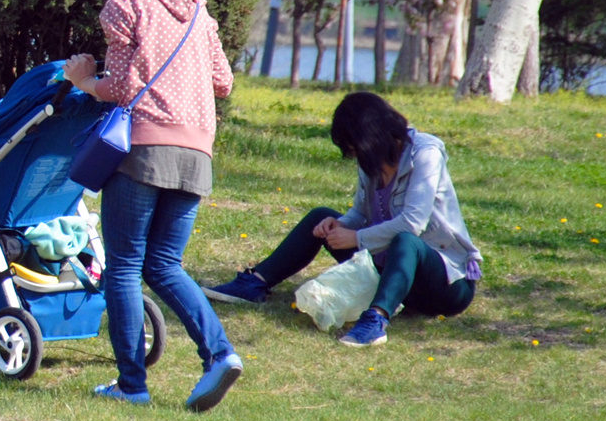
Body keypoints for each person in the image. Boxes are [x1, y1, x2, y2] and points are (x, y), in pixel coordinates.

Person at [61, 0, 242, 413]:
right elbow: (222, 81)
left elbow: (118, 88)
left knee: (123, 268)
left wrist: (81, 78)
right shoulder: (198, 9)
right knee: (165, 265)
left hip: (143, 148)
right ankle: (220, 354)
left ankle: (132, 385)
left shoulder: (125, 5)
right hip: (197, 152)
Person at [206, 91, 481, 347]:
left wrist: (356, 237)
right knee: (322, 216)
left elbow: (413, 223)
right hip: (390, 273)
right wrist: (341, 225)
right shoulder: (370, 162)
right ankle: (255, 283)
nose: (353, 155)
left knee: (406, 241)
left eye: (353, 148)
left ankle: (376, 319)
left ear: (369, 139)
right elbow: (361, 213)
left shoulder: (426, 154)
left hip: (446, 285)